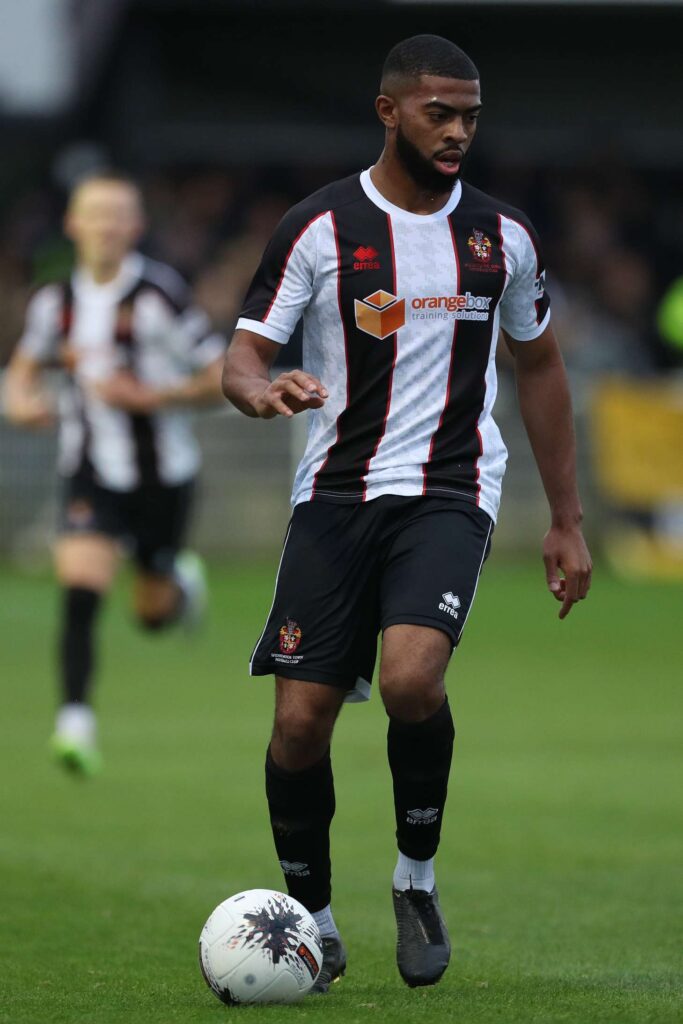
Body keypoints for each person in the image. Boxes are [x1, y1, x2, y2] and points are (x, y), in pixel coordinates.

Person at [222, 35, 592, 993]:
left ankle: (415, 881)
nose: (460, 130)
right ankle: (314, 920)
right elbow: (241, 356)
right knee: (300, 724)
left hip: (449, 489)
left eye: (471, 114)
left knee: (411, 681)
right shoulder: (318, 228)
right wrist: (258, 392)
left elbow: (540, 367)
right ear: (389, 111)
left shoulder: (502, 238)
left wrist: (566, 520)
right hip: (335, 497)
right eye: (441, 112)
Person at [4, 172, 225, 776]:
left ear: (136, 226)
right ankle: (74, 721)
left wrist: (151, 398)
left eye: (117, 215)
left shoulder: (159, 296)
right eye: (93, 214)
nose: (104, 226)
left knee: (151, 618)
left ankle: (176, 582)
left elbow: (222, 375)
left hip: (164, 477)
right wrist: (20, 403)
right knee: (80, 591)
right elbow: (21, 370)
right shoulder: (55, 303)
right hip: (90, 471)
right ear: (73, 224)